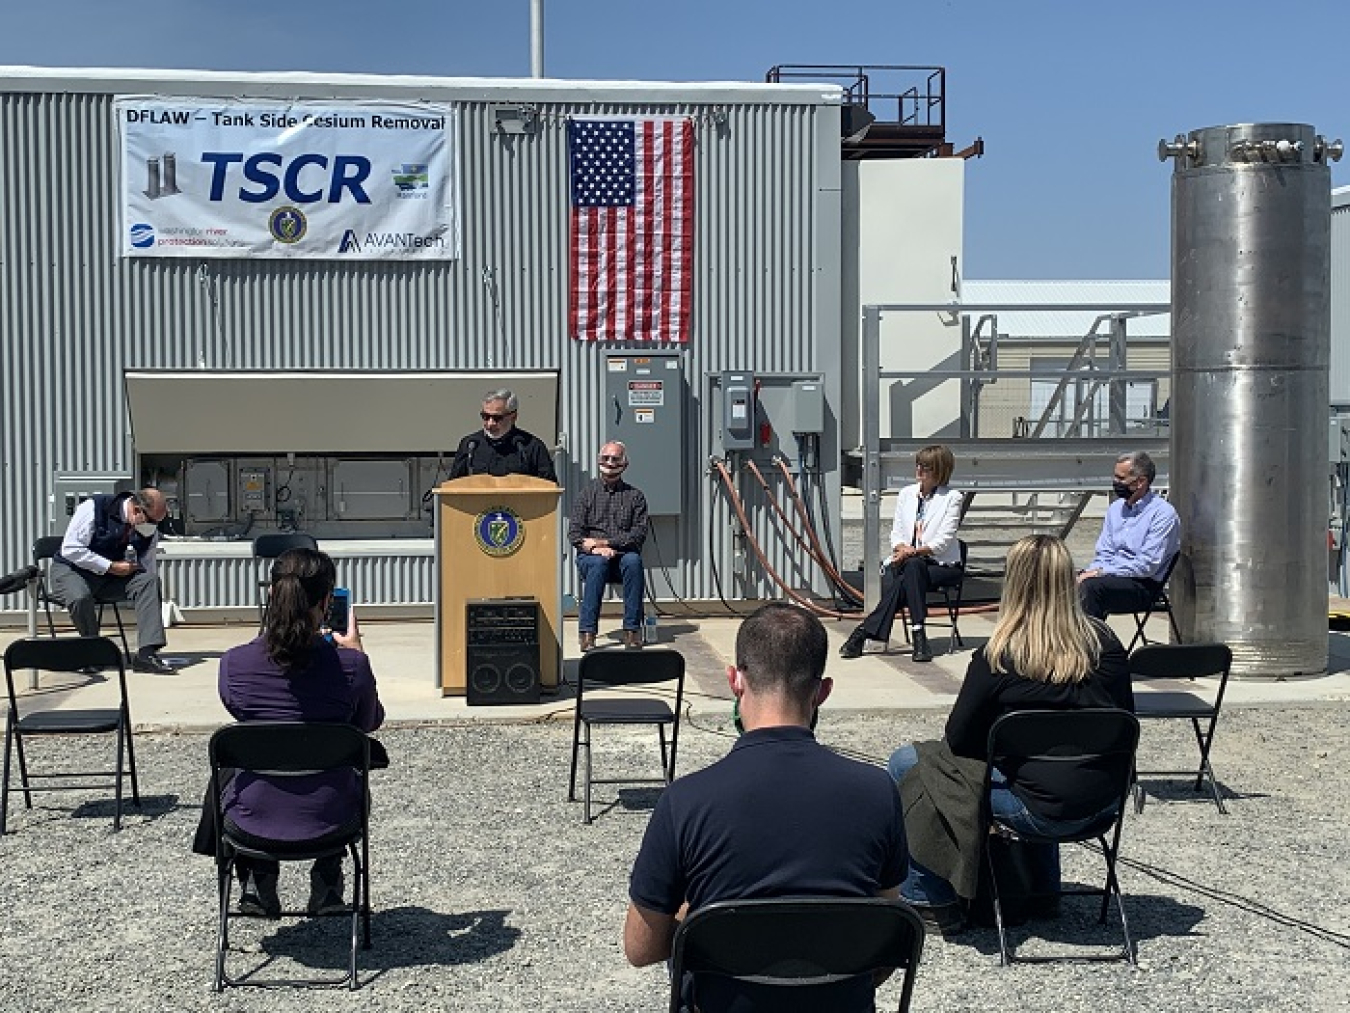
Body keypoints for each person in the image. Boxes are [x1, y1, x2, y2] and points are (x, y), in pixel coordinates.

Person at [625, 603, 907, 1012]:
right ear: (823, 691)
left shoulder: (685, 800)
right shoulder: (878, 791)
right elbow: (883, 940)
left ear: (735, 681)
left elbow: (640, 947)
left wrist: (698, 923)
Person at [887, 535, 1133, 935]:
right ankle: (1044, 892)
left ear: (1014, 582)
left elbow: (959, 739)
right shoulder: (1106, 645)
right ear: (1068, 580)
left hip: (1029, 808)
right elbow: (1125, 725)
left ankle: (929, 898)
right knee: (1050, 765)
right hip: (1102, 803)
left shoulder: (999, 654)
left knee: (908, 763)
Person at [214, 548, 385, 919]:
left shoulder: (234, 664)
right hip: (331, 820)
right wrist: (358, 654)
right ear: (327, 602)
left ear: (272, 595)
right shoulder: (351, 667)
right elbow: (369, 721)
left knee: (236, 767)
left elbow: (239, 710)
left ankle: (258, 881)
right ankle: (327, 883)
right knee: (340, 767)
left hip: (250, 821)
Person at [840, 444, 963, 663]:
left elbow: (943, 541)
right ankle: (919, 635)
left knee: (910, 572)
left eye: (925, 466)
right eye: (918, 464)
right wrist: (902, 548)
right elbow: (896, 533)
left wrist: (912, 552)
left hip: (941, 566)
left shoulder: (952, 498)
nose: (919, 470)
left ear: (939, 470)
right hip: (910, 564)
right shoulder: (907, 494)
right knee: (912, 569)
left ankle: (864, 632)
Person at [52, 487, 175, 674]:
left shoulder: (149, 531)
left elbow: (147, 565)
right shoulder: (94, 508)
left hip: (111, 578)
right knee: (79, 597)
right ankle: (92, 651)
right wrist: (110, 566)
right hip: (73, 570)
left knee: (149, 580)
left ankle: (146, 654)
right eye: (151, 521)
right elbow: (71, 549)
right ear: (136, 510)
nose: (153, 526)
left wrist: (136, 578)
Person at [1077, 450, 1180, 621]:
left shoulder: (1163, 514)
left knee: (1090, 589)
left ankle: (1091, 643)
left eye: (1121, 478)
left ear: (1140, 482)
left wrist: (1100, 573)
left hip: (1143, 584)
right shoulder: (1115, 509)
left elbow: (1146, 566)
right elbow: (1105, 552)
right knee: (1058, 581)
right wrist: (1089, 572)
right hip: (1111, 576)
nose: (1115, 482)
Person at [569, 441, 649, 652]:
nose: (610, 463)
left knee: (634, 561)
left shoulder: (636, 497)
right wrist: (596, 550)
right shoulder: (585, 495)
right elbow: (575, 535)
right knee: (598, 565)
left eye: (615, 459)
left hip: (623, 555)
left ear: (625, 464)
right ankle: (587, 633)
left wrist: (605, 543)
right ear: (598, 460)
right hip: (592, 557)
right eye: (606, 458)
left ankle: (632, 631)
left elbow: (638, 535)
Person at [449, 388, 557, 482]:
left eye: (497, 418)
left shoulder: (531, 446)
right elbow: (452, 487)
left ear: (513, 417)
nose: (490, 423)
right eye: (485, 416)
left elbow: (549, 488)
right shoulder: (470, 445)